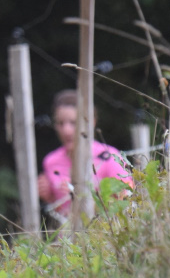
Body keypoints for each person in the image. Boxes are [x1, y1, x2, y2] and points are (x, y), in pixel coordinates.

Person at [37, 90, 134, 218]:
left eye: (73, 123)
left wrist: (82, 193)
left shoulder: (109, 157)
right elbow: (61, 212)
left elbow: (129, 201)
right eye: (60, 123)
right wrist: (49, 197)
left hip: (104, 228)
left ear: (91, 122)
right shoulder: (51, 161)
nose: (66, 130)